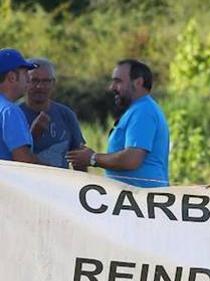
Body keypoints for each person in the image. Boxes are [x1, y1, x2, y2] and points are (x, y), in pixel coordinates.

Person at [67, 59, 169, 187]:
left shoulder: (143, 111)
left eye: (118, 81)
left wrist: (92, 158)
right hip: (133, 200)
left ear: (138, 82)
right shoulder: (138, 110)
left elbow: (131, 159)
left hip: (140, 201)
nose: (112, 87)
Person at [19, 58, 86, 170]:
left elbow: (79, 159)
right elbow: (9, 160)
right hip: (24, 185)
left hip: (59, 185)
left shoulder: (66, 114)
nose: (40, 86)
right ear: (26, 81)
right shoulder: (14, 114)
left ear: (53, 83)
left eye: (46, 81)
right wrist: (32, 136)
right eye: (34, 80)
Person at [0, 48, 38, 163]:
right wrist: (55, 173)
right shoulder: (9, 110)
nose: (29, 78)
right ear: (12, 77)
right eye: (25, 72)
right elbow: (23, 159)